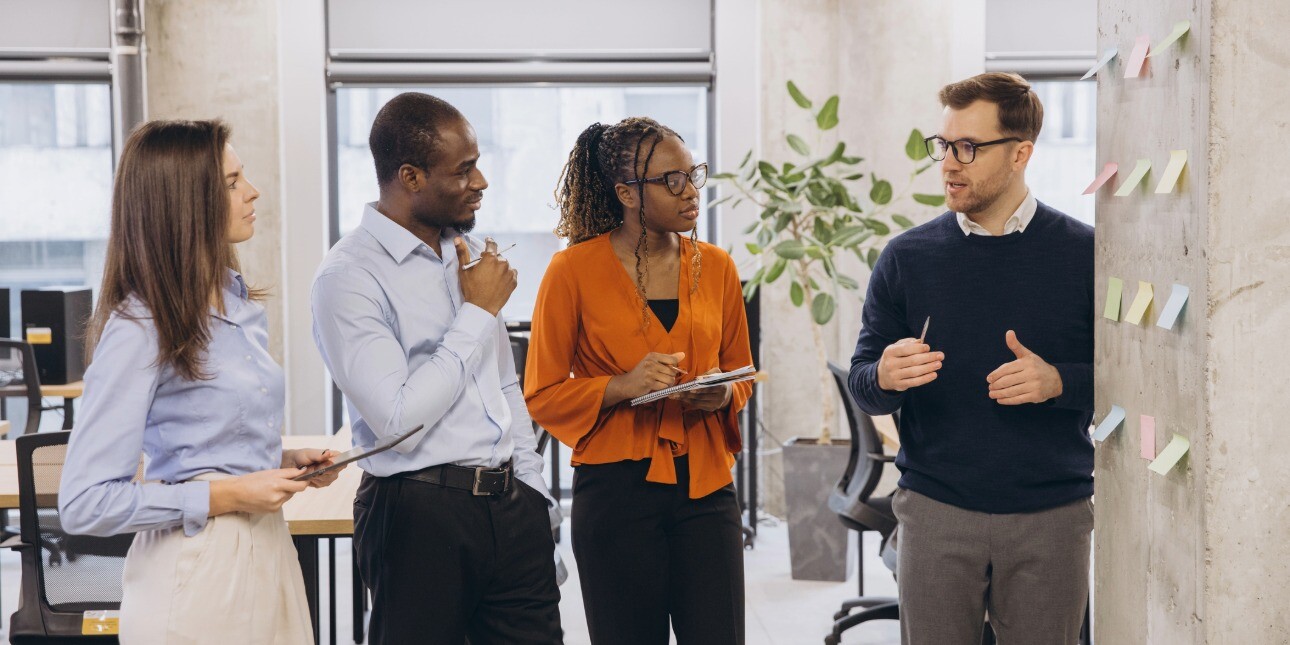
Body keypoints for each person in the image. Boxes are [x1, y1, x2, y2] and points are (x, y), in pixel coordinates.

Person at [59, 119, 341, 644]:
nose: (252, 192)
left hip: (269, 552)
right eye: (232, 183)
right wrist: (226, 493)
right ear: (185, 205)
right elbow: (85, 503)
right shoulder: (140, 326)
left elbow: (203, 438)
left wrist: (277, 462)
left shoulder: (233, 303)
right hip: (198, 573)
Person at [848, 72, 1094, 644]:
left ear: (1020, 154)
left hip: (1051, 516)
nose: (949, 163)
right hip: (935, 511)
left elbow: (1131, 384)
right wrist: (884, 375)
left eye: (968, 148)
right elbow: (862, 382)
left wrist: (1059, 381)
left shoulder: (1086, 255)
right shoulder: (907, 257)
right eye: (943, 146)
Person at [311, 92, 561, 645]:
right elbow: (398, 424)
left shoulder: (465, 255)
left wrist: (534, 493)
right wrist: (477, 312)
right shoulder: (347, 277)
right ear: (411, 177)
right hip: (417, 515)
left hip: (510, 507)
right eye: (465, 169)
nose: (482, 182)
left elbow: (501, 385)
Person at [525, 117, 753, 645]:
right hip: (616, 494)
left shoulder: (717, 266)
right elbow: (541, 393)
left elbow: (742, 372)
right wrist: (623, 386)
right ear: (627, 193)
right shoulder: (571, 271)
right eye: (671, 180)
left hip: (706, 489)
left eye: (692, 174)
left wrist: (722, 392)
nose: (690, 190)